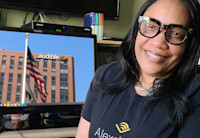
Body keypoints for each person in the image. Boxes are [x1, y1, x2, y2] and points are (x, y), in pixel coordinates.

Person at [76, 0, 200, 137]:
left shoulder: (195, 93)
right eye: (151, 26)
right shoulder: (105, 75)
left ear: (189, 43)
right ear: (137, 29)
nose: (158, 43)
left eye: (176, 33)